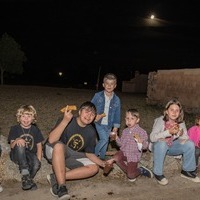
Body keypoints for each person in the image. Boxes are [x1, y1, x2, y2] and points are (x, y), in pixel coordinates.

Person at [43, 101, 106, 200]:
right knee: (59, 146)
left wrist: (103, 164)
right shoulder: (68, 120)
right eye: (87, 111)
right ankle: (62, 187)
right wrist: (65, 121)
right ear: (80, 112)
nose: (89, 115)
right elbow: (51, 140)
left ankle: (55, 177)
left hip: (70, 155)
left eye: (92, 114)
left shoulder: (91, 131)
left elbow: (89, 153)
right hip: (53, 150)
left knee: (94, 168)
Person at [150, 99, 200, 185]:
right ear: (166, 111)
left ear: (180, 113)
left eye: (177, 110)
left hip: (171, 147)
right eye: (171, 110)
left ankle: (186, 171)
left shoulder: (180, 123)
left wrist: (181, 134)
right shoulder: (161, 120)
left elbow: (186, 138)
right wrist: (168, 132)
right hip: (158, 147)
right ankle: (157, 173)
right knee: (162, 143)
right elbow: (152, 137)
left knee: (190, 144)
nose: (174, 112)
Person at [105, 109, 153, 181]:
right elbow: (121, 144)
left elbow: (145, 146)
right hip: (124, 153)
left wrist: (141, 142)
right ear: (125, 119)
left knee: (131, 176)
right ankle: (129, 171)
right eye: (127, 118)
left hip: (133, 156)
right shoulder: (125, 131)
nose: (129, 121)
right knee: (116, 157)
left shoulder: (141, 132)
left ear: (137, 120)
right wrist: (116, 138)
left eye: (132, 118)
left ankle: (140, 170)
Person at [7, 105, 44, 190]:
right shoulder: (15, 129)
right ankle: (24, 171)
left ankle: (27, 180)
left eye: (29, 116)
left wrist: (39, 160)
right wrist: (17, 140)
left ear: (33, 118)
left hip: (30, 155)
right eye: (23, 116)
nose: (26, 119)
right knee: (20, 143)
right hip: (17, 154)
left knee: (36, 164)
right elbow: (12, 146)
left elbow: (39, 146)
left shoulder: (35, 129)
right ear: (19, 118)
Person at [91, 73, 121, 160]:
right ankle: (93, 156)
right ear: (103, 85)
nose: (109, 86)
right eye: (107, 83)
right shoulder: (98, 96)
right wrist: (94, 116)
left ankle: (102, 157)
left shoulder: (116, 99)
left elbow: (117, 114)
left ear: (115, 86)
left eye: (112, 84)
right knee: (104, 139)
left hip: (109, 124)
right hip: (99, 123)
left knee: (106, 141)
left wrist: (115, 127)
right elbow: (91, 107)